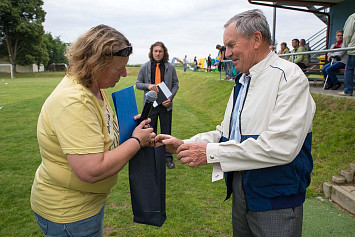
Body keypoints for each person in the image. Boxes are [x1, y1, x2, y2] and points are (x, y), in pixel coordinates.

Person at [156, 9, 315, 236]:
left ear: (257, 39)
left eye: (231, 45)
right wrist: (186, 143)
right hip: (243, 191)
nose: (227, 53)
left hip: (276, 199)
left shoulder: (289, 78)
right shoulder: (243, 79)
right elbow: (227, 133)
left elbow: (281, 147)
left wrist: (210, 153)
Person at [30, 25, 156, 236]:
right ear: (95, 65)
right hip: (69, 213)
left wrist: (132, 130)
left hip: (86, 205)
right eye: (118, 69)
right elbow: (91, 170)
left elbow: (102, 132)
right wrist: (136, 141)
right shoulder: (74, 102)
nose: (124, 74)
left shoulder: (96, 88)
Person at [136, 42, 179, 169]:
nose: (158, 53)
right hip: (150, 106)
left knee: (166, 132)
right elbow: (138, 83)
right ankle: (151, 158)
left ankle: (168, 158)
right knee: (150, 132)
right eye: (155, 51)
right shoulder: (145, 67)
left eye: (160, 51)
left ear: (164, 52)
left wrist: (170, 98)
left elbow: (176, 84)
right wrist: (148, 86)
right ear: (152, 52)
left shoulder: (170, 67)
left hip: (166, 105)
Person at [339, 13, 355, 96]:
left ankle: (348, 90)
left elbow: (347, 34)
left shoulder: (353, 17)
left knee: (349, 69)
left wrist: (346, 45)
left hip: (353, 49)